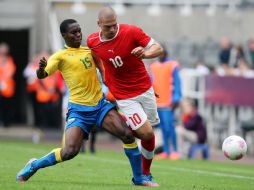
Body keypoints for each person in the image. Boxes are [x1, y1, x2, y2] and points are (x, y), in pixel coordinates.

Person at [16, 19, 158, 187]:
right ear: (64, 35)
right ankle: (34, 165)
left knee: (127, 135)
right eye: (73, 32)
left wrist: (140, 89)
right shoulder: (60, 56)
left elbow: (108, 74)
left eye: (79, 31)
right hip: (78, 111)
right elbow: (42, 75)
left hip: (100, 106)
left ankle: (139, 178)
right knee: (69, 151)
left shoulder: (90, 51)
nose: (78, 35)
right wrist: (40, 70)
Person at [87, 6, 163, 184]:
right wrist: (104, 75)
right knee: (146, 133)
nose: (112, 29)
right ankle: (142, 174)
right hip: (124, 96)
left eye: (114, 24)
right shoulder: (92, 41)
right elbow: (96, 57)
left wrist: (145, 53)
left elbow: (157, 48)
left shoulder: (131, 31)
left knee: (149, 135)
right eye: (107, 27)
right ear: (99, 24)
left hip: (145, 89)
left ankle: (146, 172)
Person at [150, 48, 182, 160]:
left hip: (169, 102)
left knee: (170, 127)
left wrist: (176, 98)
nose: (160, 55)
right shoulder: (154, 66)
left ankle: (175, 151)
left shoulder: (172, 65)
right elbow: (152, 83)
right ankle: (166, 151)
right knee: (163, 128)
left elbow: (177, 83)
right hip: (158, 102)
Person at [0, 42, 16, 127]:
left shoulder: (9, 59)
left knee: (7, 106)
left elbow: (11, 71)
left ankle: (6, 122)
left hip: (8, 88)